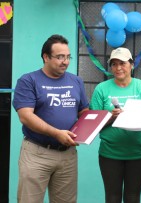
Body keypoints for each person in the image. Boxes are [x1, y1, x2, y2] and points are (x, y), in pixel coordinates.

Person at [12, 34, 89, 203]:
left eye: (68, 57)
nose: (65, 61)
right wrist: (56, 133)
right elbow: (25, 116)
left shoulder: (76, 81)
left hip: (67, 154)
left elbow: (84, 112)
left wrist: (92, 126)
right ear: (45, 57)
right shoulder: (28, 80)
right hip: (37, 153)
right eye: (60, 57)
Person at [90, 47, 141, 203]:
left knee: (133, 197)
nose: (118, 68)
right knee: (112, 198)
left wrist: (128, 115)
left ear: (132, 65)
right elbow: (94, 124)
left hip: (138, 153)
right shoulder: (101, 89)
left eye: (123, 63)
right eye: (114, 64)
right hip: (110, 153)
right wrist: (112, 117)